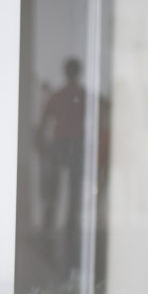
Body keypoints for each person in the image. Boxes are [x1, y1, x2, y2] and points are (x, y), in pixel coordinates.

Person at [36, 57, 85, 268]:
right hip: (72, 143)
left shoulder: (59, 95)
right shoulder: (81, 96)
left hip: (61, 144)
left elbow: (43, 122)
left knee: (54, 188)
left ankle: (51, 225)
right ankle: (68, 227)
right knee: (72, 188)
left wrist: (43, 148)